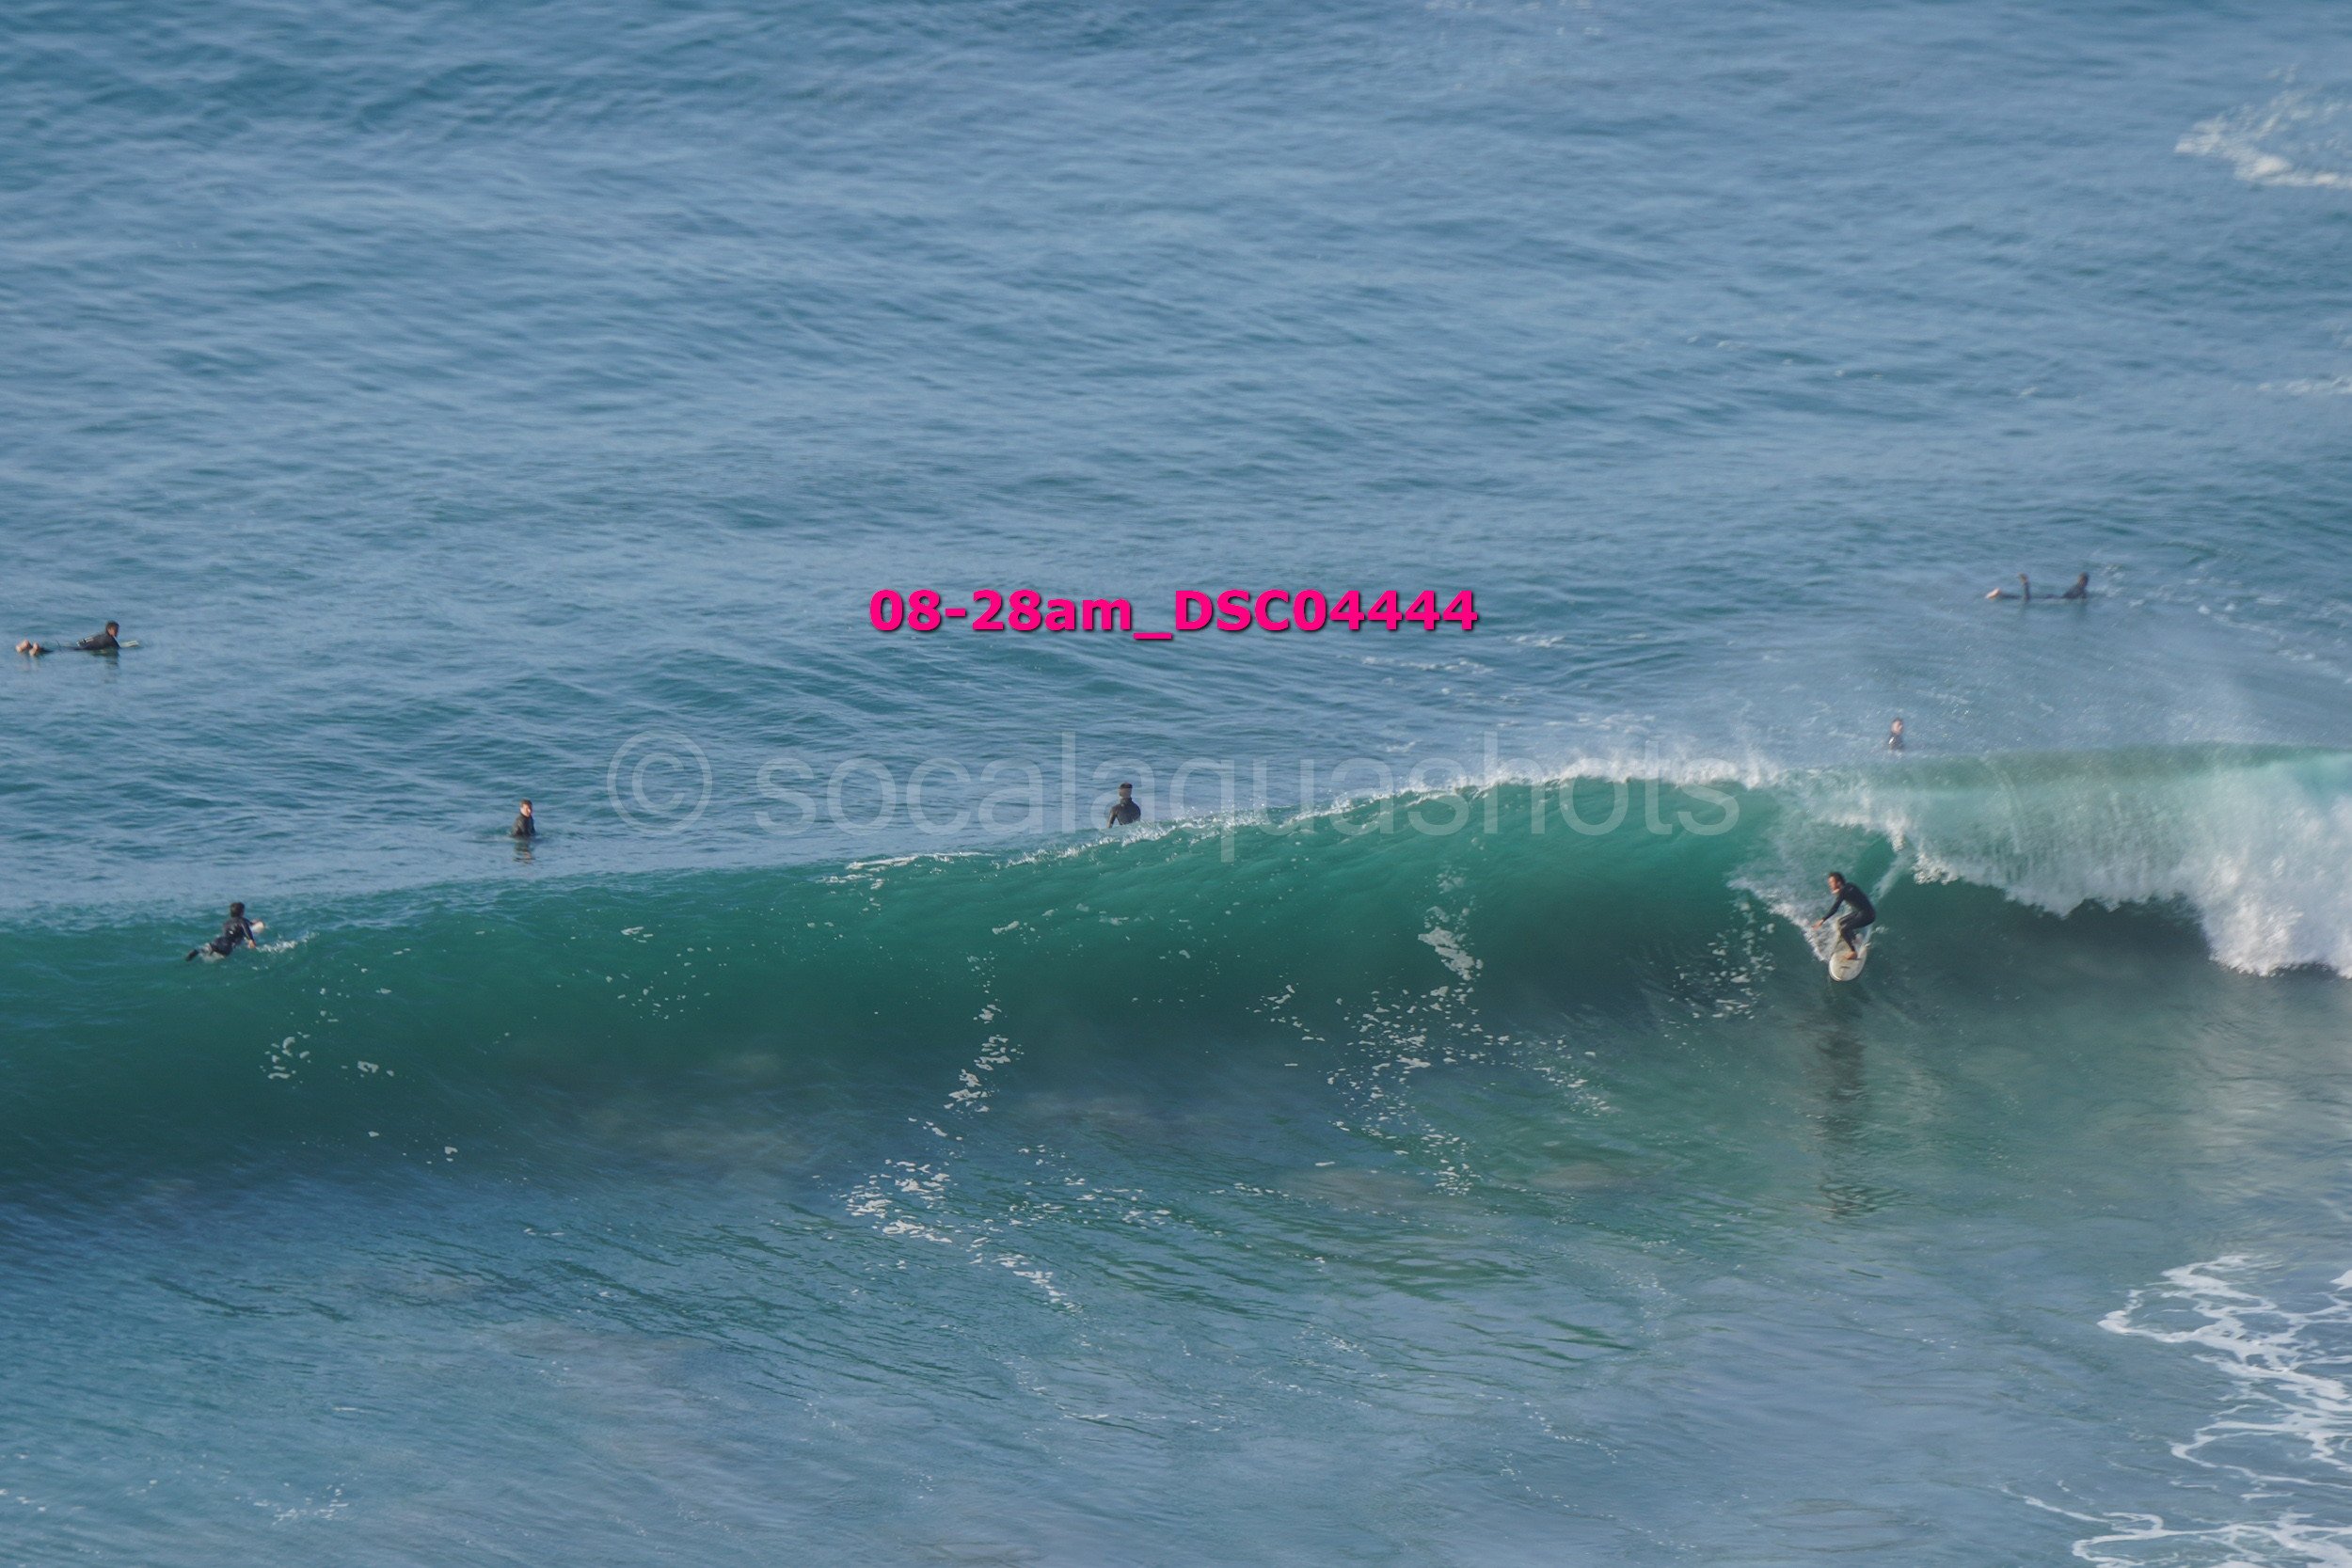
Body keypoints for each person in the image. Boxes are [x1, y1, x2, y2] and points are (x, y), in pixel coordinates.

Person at [1810, 873, 1875, 959]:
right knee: (1840, 922)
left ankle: (1853, 952)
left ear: (1839, 883)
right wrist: (1840, 892)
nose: (1830, 885)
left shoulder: (1843, 892)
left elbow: (1835, 908)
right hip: (1866, 912)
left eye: (1832, 882)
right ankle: (1855, 939)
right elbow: (1857, 895)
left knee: (1843, 929)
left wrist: (1822, 920)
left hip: (1868, 916)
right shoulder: (1849, 886)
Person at [186, 901, 262, 961]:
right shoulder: (242, 921)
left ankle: (198, 951)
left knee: (207, 950)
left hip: (218, 940)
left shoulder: (226, 922)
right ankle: (213, 949)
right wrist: (251, 940)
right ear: (242, 912)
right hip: (228, 944)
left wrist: (253, 922)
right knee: (224, 955)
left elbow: (248, 923)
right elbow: (246, 927)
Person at [17, 621, 120, 656]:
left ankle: (27, 646)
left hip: (80, 645)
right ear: (110, 629)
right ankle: (37, 649)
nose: (117, 632)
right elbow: (118, 648)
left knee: (60, 648)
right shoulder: (111, 640)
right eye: (116, 630)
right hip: (84, 649)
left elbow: (85, 640)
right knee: (55, 652)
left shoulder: (100, 634)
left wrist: (80, 643)